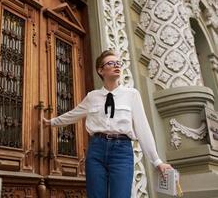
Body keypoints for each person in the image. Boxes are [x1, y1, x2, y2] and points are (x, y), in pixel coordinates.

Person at [43, 50, 173, 198]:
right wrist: (51, 122)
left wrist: (157, 161)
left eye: (118, 63)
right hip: (96, 150)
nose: (116, 66)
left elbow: (143, 128)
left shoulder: (132, 94)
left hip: (122, 151)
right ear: (100, 70)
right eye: (111, 63)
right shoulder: (92, 97)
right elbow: (73, 114)